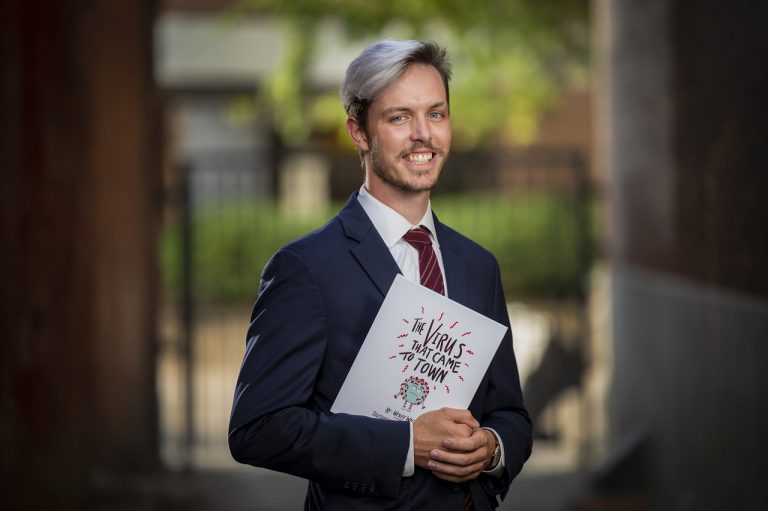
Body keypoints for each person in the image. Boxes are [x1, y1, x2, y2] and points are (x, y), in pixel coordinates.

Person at [228, 39, 532, 510]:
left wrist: (492, 448)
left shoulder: (478, 266)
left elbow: (510, 412)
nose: (423, 135)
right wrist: (408, 445)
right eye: (398, 117)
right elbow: (257, 428)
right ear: (359, 132)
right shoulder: (306, 268)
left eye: (435, 114)